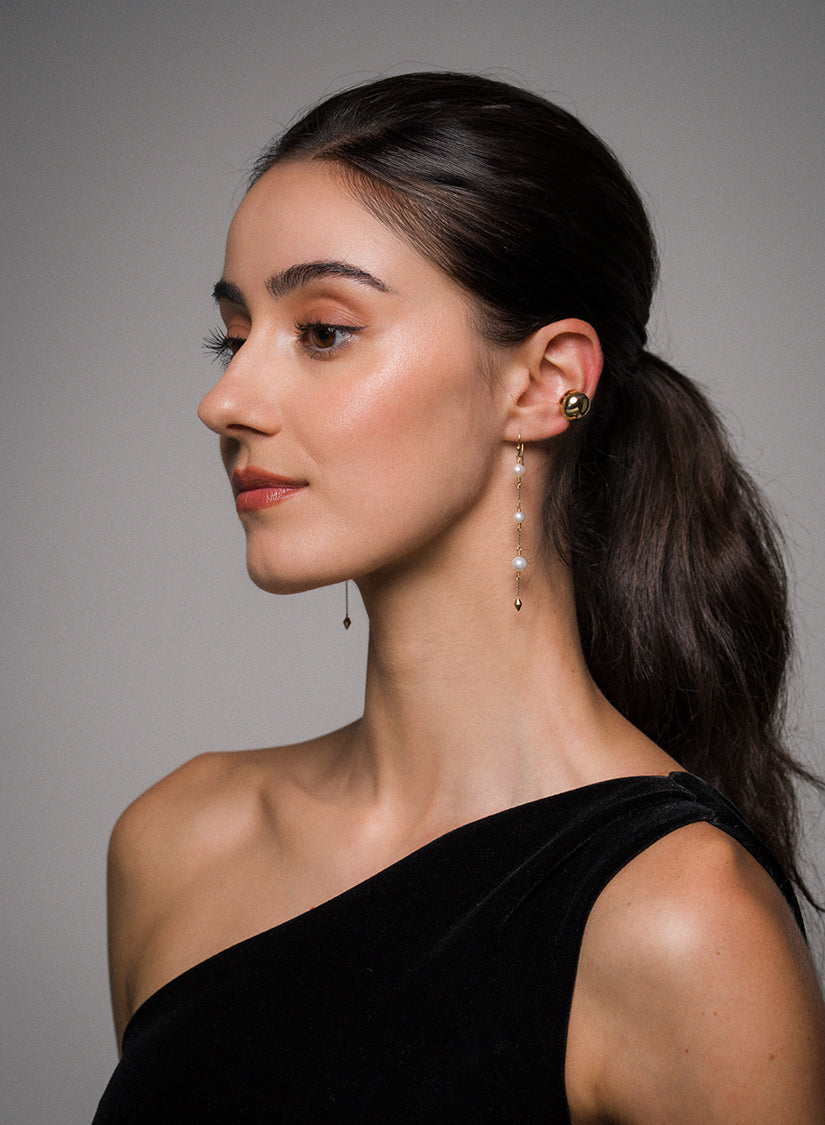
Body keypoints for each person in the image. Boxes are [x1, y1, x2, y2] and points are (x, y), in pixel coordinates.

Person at [94, 72, 825, 1122]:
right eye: (233, 334)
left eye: (324, 331)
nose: (225, 399)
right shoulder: (178, 843)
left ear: (544, 383)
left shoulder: (679, 923)